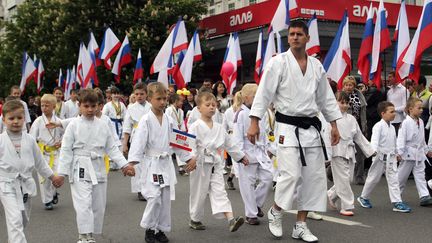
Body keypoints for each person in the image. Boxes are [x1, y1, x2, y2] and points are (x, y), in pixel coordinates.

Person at [246, 20, 341, 242]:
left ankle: (300, 224)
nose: (295, 37)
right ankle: (276, 211)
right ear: (288, 38)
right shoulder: (277, 63)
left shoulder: (317, 66)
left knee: (314, 178)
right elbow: (264, 94)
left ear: (308, 38)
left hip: (312, 128)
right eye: (292, 34)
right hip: (287, 128)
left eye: (299, 34)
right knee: (291, 174)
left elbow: (326, 99)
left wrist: (334, 124)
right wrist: (254, 121)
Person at [56, 89, 135, 243]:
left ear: (99, 106)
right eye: (86, 106)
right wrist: (61, 173)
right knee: (83, 203)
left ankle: (91, 233)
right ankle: (84, 235)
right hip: (80, 166)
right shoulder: (73, 125)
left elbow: (112, 148)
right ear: (79, 106)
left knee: (98, 205)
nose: (90, 109)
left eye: (94, 106)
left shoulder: (104, 125)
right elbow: (66, 149)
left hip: (98, 166)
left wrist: (125, 165)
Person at [127, 82, 193, 243]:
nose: (162, 102)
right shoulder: (145, 120)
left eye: (164, 98)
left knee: (164, 198)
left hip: (165, 163)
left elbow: (176, 141)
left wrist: (188, 157)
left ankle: (160, 229)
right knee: (154, 196)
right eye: (158, 99)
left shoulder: (169, 119)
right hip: (151, 163)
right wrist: (131, 163)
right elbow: (138, 143)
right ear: (150, 99)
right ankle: (150, 229)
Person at [0, 100, 62, 243]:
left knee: (22, 220)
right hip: (6, 184)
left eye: (19, 118)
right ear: (4, 120)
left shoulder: (29, 140)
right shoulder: (1, 140)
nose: (15, 121)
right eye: (11, 118)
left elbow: (40, 162)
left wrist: (53, 177)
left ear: (24, 119)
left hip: (26, 183)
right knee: (14, 219)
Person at [185, 91, 248, 232]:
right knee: (199, 193)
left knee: (220, 191)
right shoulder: (195, 126)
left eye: (214, 105)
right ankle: (195, 219)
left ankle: (231, 219)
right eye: (207, 105)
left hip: (216, 164)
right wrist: (191, 158)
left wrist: (240, 156)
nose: (212, 107)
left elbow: (230, 144)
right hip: (200, 164)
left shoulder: (219, 128)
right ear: (199, 108)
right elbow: (190, 144)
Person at [327, 91, 375, 216]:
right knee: (343, 178)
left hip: (349, 151)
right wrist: (326, 153)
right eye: (341, 102)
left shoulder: (352, 119)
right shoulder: (330, 119)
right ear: (334, 102)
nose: (344, 105)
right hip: (337, 150)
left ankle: (331, 194)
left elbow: (359, 137)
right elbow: (326, 136)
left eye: (347, 103)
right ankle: (346, 206)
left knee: (348, 179)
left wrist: (370, 150)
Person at [357, 101, 411, 213]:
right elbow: (374, 141)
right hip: (379, 157)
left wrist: (397, 153)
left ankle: (397, 202)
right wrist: (373, 152)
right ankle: (363, 197)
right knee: (373, 178)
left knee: (394, 179)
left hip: (390, 157)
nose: (394, 114)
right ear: (383, 113)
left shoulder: (391, 127)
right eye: (391, 112)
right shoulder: (378, 126)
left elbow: (394, 142)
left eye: (394, 111)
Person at [232, 84, 274, 225]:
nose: (257, 99)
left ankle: (256, 203)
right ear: (245, 98)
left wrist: (270, 149)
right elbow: (236, 138)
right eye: (254, 96)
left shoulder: (260, 113)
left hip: (261, 153)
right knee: (247, 184)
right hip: (247, 155)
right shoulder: (241, 114)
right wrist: (239, 156)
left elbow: (264, 134)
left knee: (268, 177)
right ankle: (251, 214)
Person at [29, 94, 64, 210]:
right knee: (44, 178)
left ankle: (53, 193)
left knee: (57, 175)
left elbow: (66, 135)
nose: (44, 108)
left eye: (47, 106)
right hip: (43, 154)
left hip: (56, 153)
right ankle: (47, 200)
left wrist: (62, 142)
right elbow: (32, 137)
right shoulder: (38, 121)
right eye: (42, 105)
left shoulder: (59, 121)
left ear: (54, 107)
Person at [397, 97, 432, 207]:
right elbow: (401, 138)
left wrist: (426, 150)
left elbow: (422, 139)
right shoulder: (405, 123)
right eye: (419, 108)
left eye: (422, 108)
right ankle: (396, 195)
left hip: (419, 152)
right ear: (410, 109)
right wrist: (400, 152)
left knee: (420, 174)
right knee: (401, 176)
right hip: (408, 152)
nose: (421, 110)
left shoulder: (420, 122)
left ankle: (424, 196)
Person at [122, 83, 151, 201]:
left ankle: (149, 187)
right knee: (137, 163)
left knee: (149, 163)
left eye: (142, 94)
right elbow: (127, 127)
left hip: (150, 137)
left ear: (146, 94)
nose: (139, 96)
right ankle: (139, 189)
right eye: (137, 94)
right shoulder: (131, 107)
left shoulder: (151, 106)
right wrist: (125, 144)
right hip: (136, 136)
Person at [342, 76, 368, 185]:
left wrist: (364, 125)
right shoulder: (340, 96)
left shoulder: (359, 95)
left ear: (354, 86)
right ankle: (341, 174)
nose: (348, 87)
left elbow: (363, 112)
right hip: (345, 127)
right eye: (347, 85)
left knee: (360, 152)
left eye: (351, 85)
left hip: (358, 125)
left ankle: (360, 176)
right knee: (344, 152)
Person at [165, 93, 188, 176]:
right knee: (169, 150)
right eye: (180, 101)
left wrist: (183, 131)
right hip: (171, 131)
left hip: (178, 131)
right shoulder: (169, 110)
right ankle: (167, 166)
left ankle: (181, 168)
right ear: (175, 101)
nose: (182, 103)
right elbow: (167, 121)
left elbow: (181, 121)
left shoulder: (181, 111)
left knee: (179, 148)